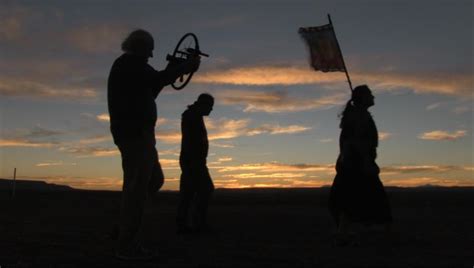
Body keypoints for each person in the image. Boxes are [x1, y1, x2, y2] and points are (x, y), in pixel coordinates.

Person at [107, 29, 200, 260]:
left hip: (142, 135)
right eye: (149, 49)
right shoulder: (128, 64)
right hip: (134, 134)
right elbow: (157, 80)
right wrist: (184, 67)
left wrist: (175, 70)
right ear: (139, 47)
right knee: (137, 189)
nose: (152, 54)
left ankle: (125, 226)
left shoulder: (135, 66)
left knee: (153, 181)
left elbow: (154, 87)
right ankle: (126, 245)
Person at [329, 85, 392, 246]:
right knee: (358, 197)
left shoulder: (359, 115)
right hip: (356, 164)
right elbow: (352, 142)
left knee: (352, 198)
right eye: (370, 94)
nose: (373, 97)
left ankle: (346, 232)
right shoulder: (358, 117)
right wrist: (364, 160)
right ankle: (348, 233)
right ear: (363, 97)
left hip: (356, 163)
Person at [176, 93, 215, 234]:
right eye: (210, 107)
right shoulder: (191, 116)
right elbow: (193, 141)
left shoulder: (193, 115)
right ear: (203, 105)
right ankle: (197, 224)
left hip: (192, 160)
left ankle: (184, 224)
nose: (211, 110)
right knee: (205, 189)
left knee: (189, 192)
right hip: (193, 160)